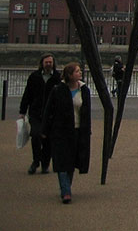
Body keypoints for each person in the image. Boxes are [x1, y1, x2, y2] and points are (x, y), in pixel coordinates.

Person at [42, 62, 91, 204]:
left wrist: (87, 130)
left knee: (72, 161)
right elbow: (49, 110)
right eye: (77, 71)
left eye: (80, 71)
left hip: (77, 130)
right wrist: (44, 130)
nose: (80, 73)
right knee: (61, 161)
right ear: (69, 75)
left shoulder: (84, 90)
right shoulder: (58, 90)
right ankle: (66, 191)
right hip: (60, 131)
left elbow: (86, 113)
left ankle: (66, 186)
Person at [18, 53, 61, 175]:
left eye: (50, 62)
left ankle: (45, 164)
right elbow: (27, 94)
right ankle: (36, 161)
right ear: (42, 63)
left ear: (53, 63)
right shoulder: (34, 77)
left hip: (51, 115)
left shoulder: (58, 78)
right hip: (35, 113)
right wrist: (22, 111)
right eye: (46, 62)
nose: (48, 64)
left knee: (48, 140)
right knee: (36, 135)